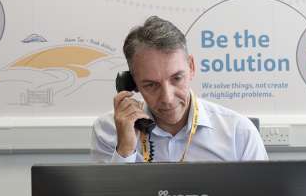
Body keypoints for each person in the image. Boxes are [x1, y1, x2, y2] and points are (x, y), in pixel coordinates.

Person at [91, 16, 268, 163]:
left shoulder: (239, 132)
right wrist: (125, 150)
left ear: (191, 67)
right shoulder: (107, 130)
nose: (167, 98)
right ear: (132, 83)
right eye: (151, 85)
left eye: (176, 78)